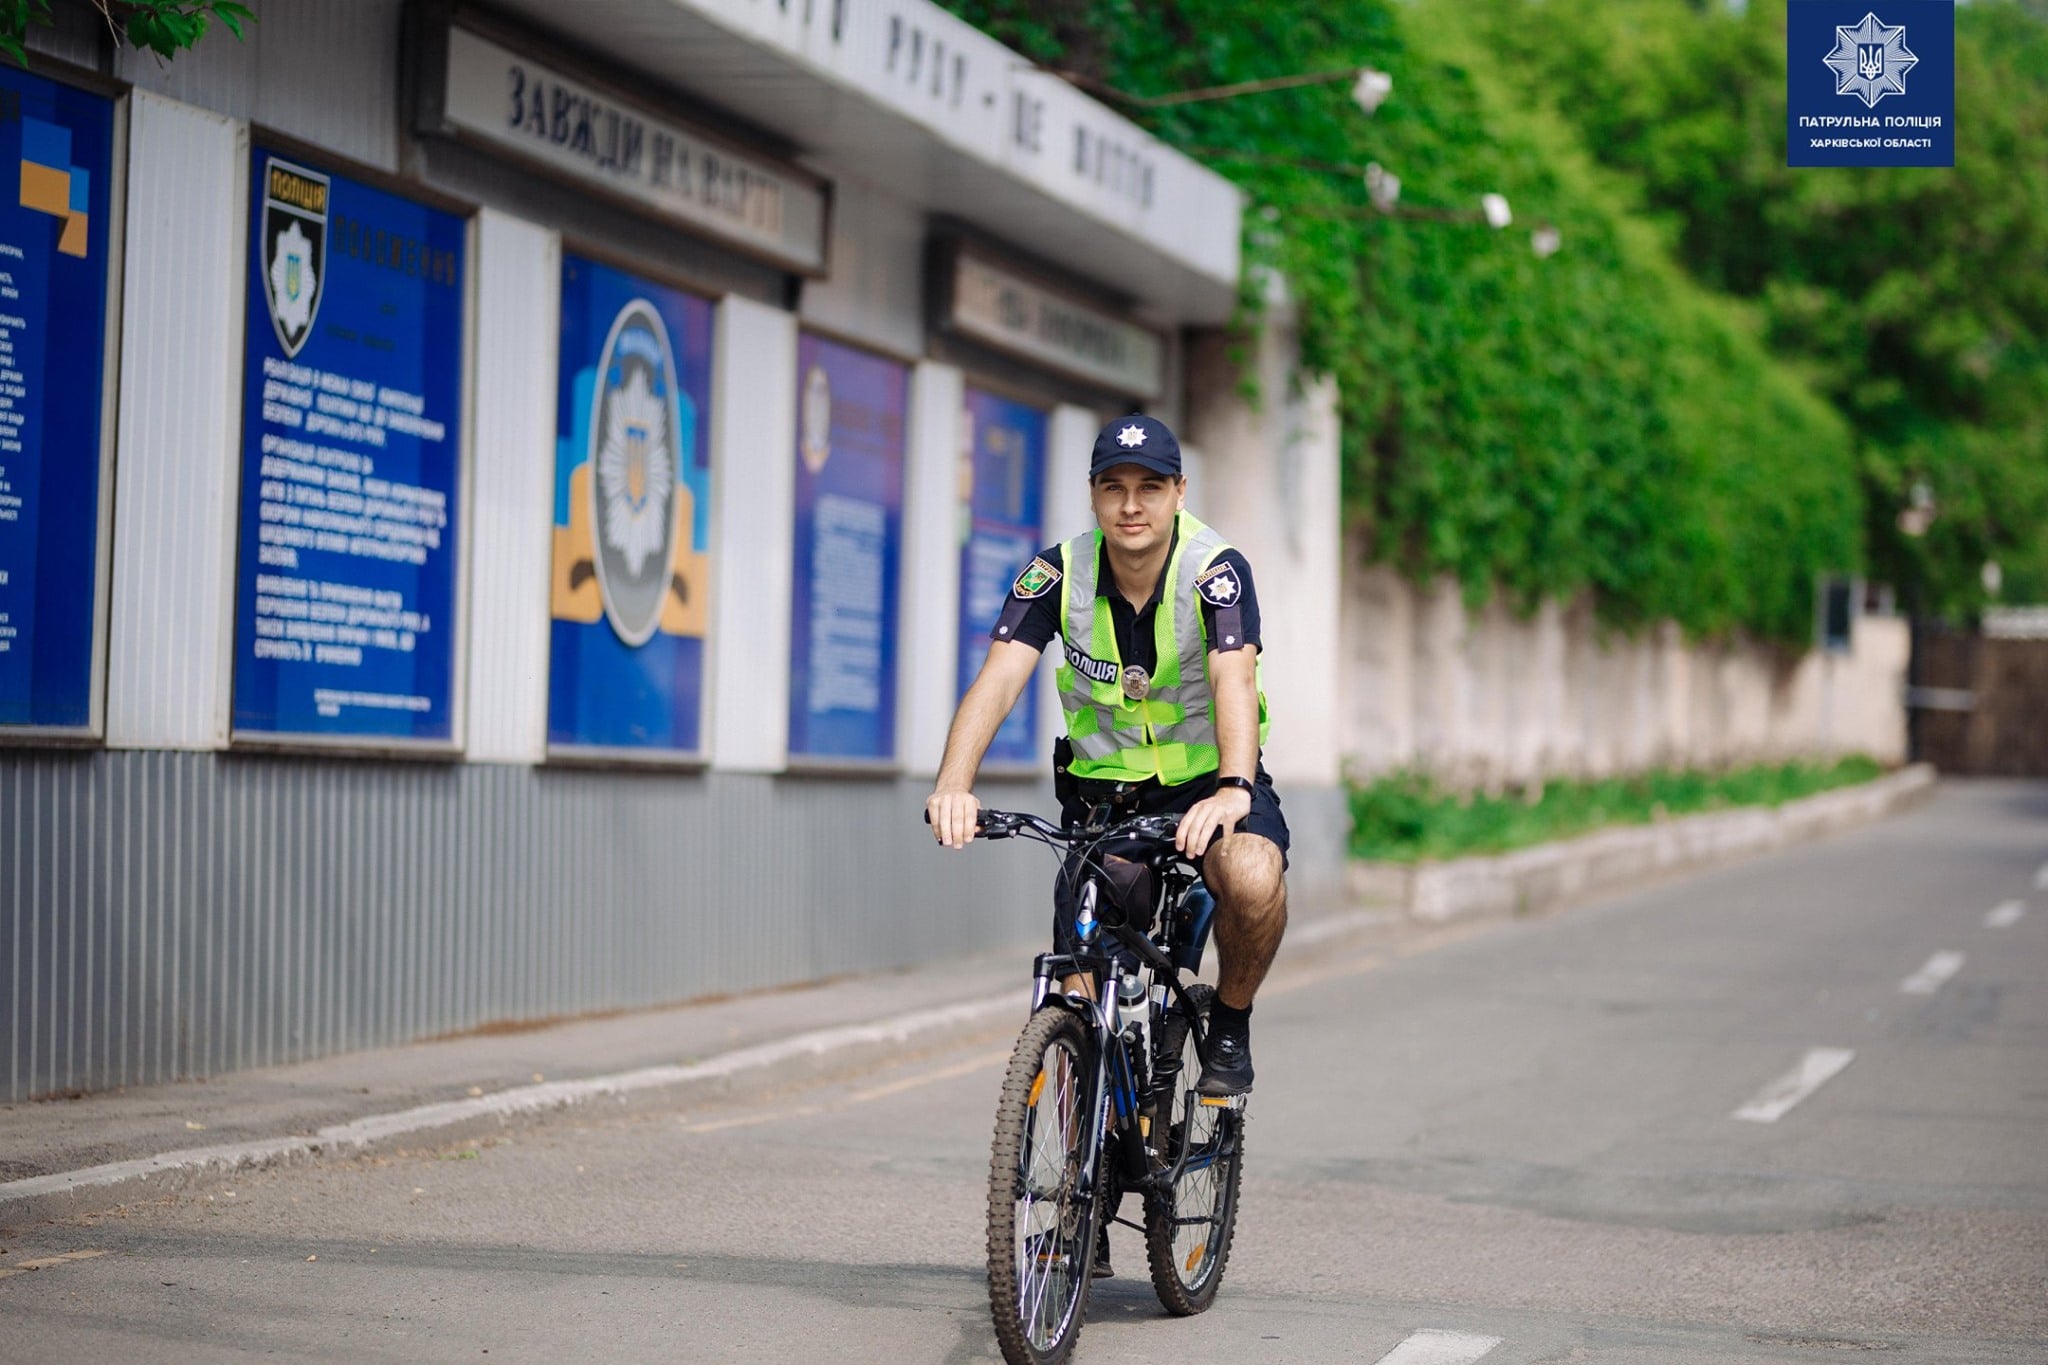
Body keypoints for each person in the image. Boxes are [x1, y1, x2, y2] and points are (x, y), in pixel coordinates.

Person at [925, 413, 1288, 1098]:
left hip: (1208, 788)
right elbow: (999, 679)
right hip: (1106, 805)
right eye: (1113, 487)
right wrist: (954, 783)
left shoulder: (1215, 571)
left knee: (1251, 874)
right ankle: (1073, 1178)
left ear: (1179, 491)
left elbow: (1232, 676)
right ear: (1093, 494)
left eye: (1149, 486)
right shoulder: (1055, 573)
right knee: (1079, 993)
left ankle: (1232, 1019)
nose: (1130, 504)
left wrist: (1235, 787)